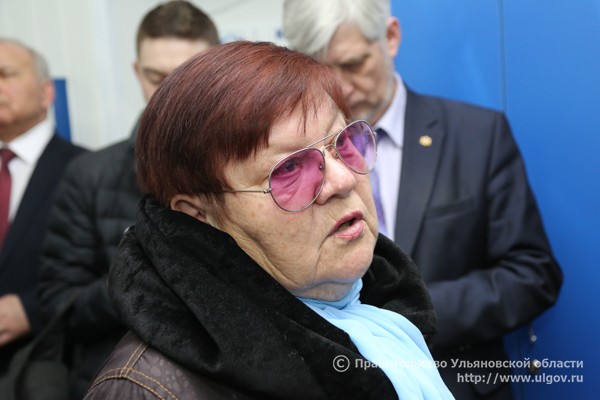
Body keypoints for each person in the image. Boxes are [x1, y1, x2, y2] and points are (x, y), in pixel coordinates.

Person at [83, 40, 453, 400]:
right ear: (199, 216)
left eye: (343, 142)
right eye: (290, 168)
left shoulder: (384, 314)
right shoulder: (145, 389)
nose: (342, 180)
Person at [281, 1, 563, 399]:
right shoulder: (291, 163)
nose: (341, 88)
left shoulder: (476, 136)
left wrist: (404, 314)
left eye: (354, 64)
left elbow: (533, 275)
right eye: (323, 73)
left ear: (391, 36)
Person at [37, 2, 220, 398]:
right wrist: (143, 276)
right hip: (120, 381)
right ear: (137, 73)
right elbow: (58, 308)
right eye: (156, 78)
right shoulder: (89, 176)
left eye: (185, 77)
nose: (169, 93)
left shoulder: (247, 170)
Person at [0, 39, 85, 375]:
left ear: (46, 92)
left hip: (48, 367)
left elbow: (109, 272)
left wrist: (31, 310)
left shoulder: (85, 170)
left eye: (6, 74)